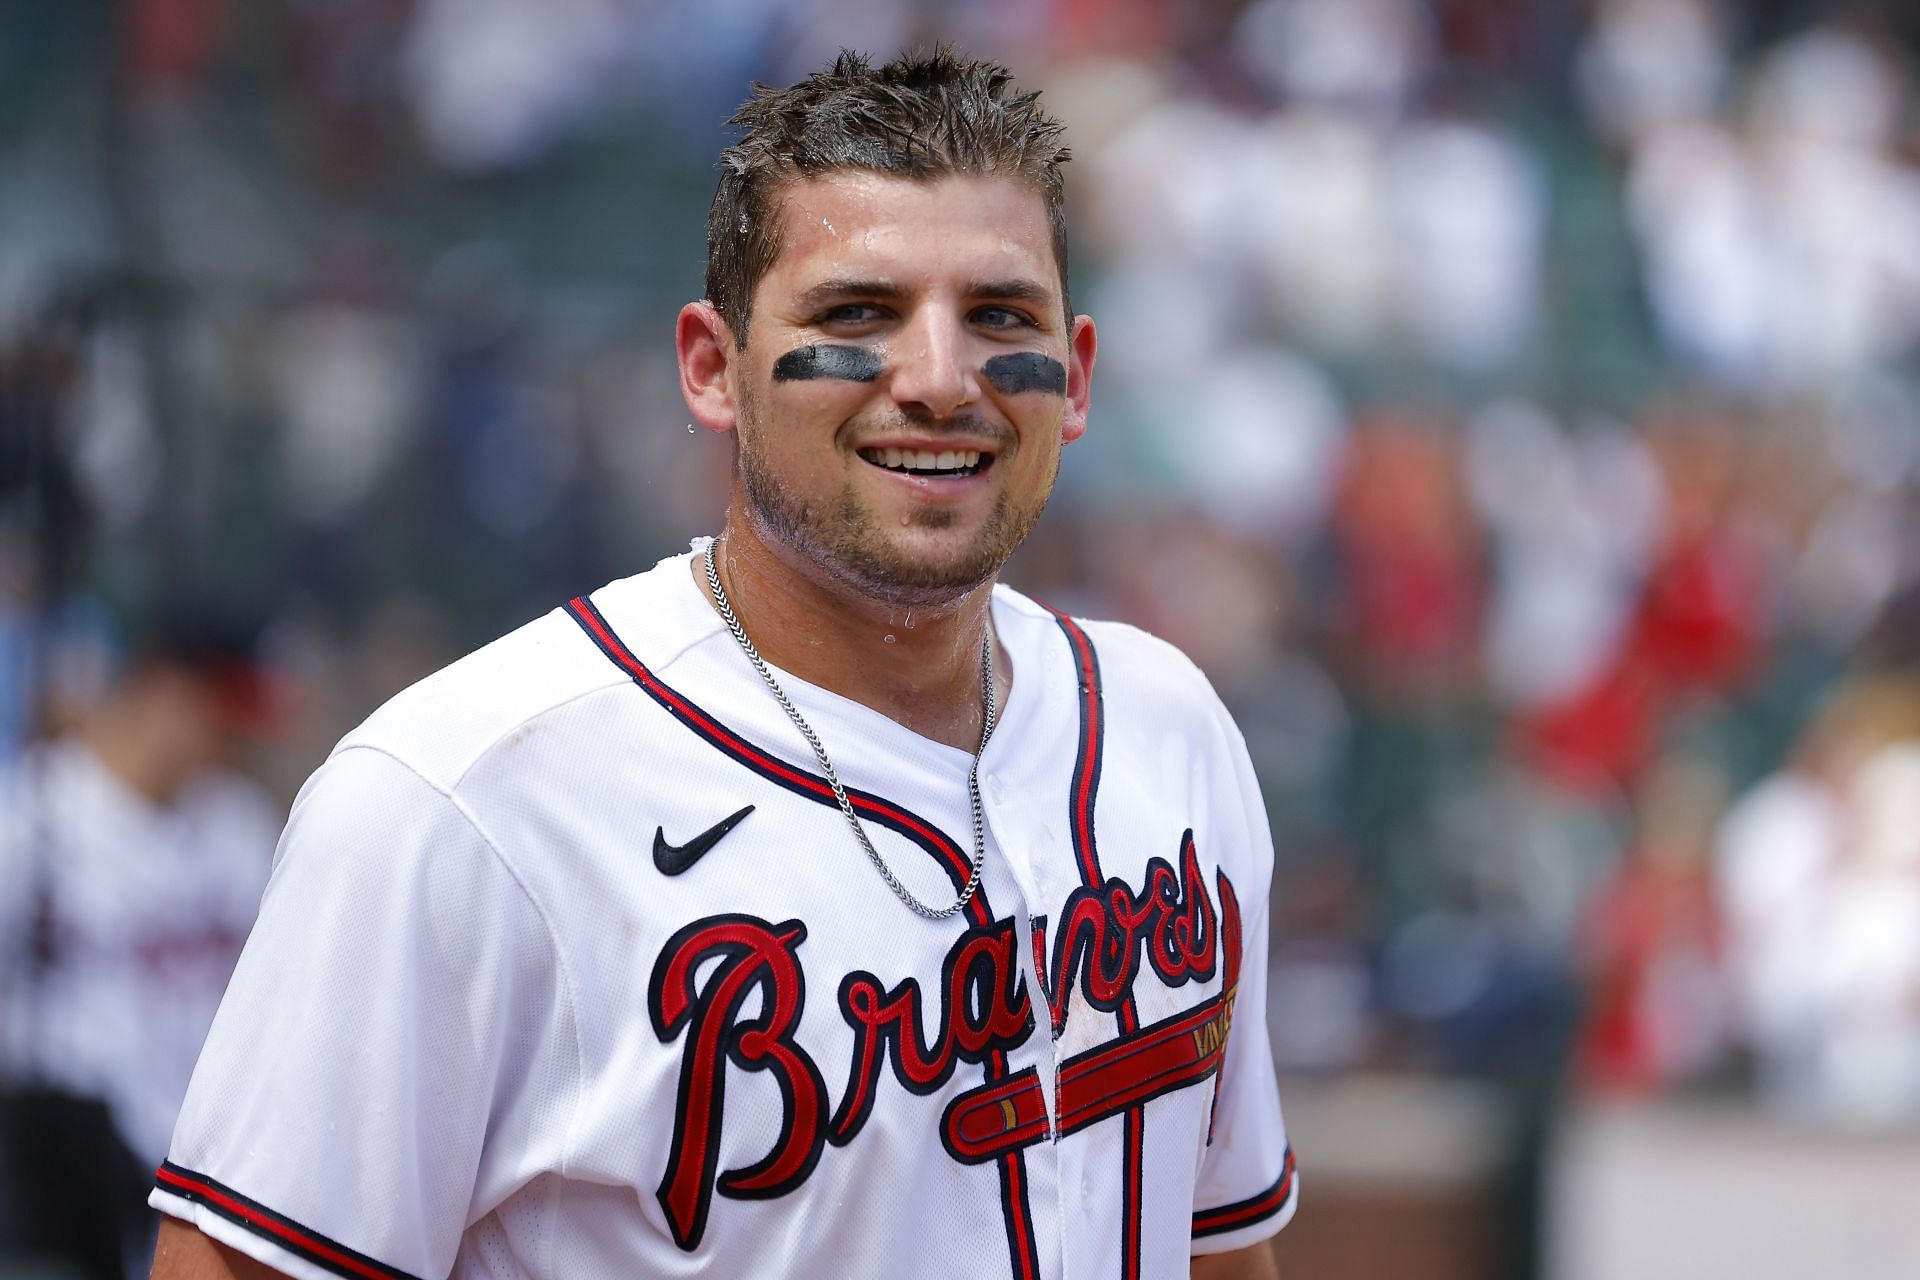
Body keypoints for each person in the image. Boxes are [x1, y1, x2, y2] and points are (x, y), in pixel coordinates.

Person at [150, 48, 1297, 1279]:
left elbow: (1215, 1239)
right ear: (712, 366)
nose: (938, 378)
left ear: (1073, 378)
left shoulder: (1169, 728)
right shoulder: (460, 801)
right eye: (856, 313)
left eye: (998, 317)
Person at [0, 609, 279, 1278]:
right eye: (222, 712)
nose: (234, 739)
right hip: (70, 1182)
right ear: (163, 689)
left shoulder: (240, 825)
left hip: (212, 1179)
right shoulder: (31, 817)